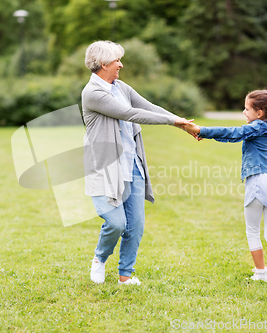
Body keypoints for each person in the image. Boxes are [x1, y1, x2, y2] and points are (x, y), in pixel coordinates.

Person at [82, 40, 192, 285]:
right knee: (116, 223)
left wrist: (181, 121)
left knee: (136, 225)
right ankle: (100, 259)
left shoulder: (120, 87)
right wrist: (172, 123)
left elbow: (147, 106)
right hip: (105, 167)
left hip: (132, 164)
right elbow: (129, 113)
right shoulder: (92, 93)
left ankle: (125, 275)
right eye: (117, 61)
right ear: (103, 64)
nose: (121, 65)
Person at [184, 90, 267, 289]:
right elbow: (235, 136)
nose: (244, 112)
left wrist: (202, 130)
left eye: (247, 109)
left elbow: (233, 133)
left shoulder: (257, 126)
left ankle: (261, 273)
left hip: (257, 183)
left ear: (260, 112)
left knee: (252, 231)